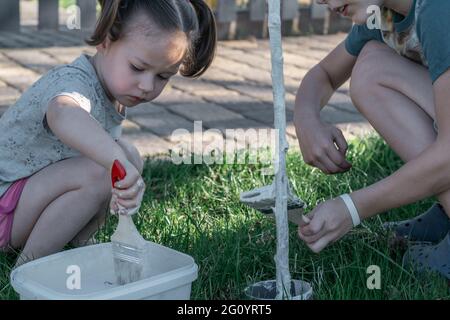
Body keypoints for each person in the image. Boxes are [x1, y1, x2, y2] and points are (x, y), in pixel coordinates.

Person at [0, 0, 217, 267]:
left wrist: (120, 160)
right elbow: (63, 112)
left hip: (21, 206)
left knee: (129, 156)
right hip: (4, 206)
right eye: (138, 68)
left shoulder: (113, 89)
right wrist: (114, 159)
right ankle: (30, 267)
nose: (147, 85)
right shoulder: (73, 81)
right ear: (105, 40)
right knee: (105, 167)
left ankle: (77, 241)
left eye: (163, 76)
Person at [294, 0, 450, 280]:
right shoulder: (386, 17)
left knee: (371, 71)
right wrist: (306, 118)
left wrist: (352, 208)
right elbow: (325, 74)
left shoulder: (438, 9)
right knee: (372, 68)